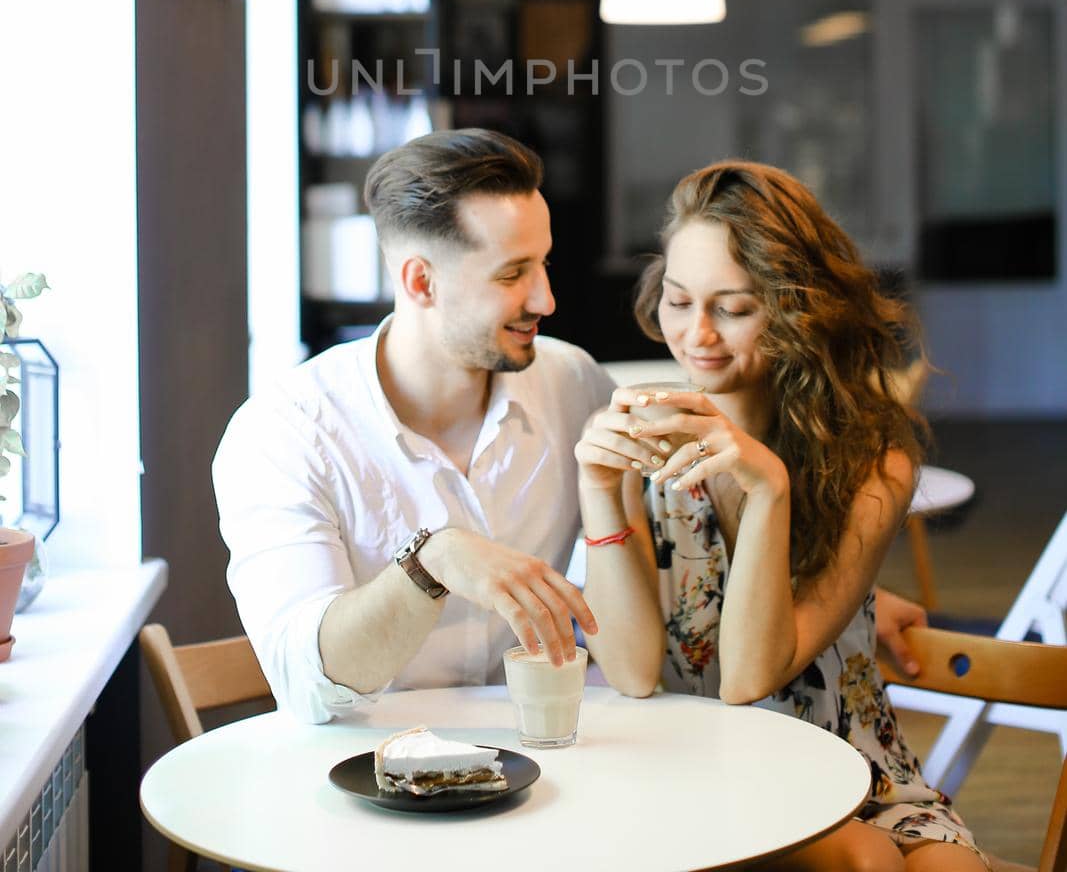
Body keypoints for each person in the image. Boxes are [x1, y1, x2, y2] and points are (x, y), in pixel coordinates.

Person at [213, 128, 928, 726]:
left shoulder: (570, 382)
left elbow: (668, 544)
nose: (547, 298)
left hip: (554, 767)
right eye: (512, 274)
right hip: (369, 786)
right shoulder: (285, 434)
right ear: (420, 282)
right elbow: (306, 679)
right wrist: (430, 563)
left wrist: (847, 594)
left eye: (545, 264)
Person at [576, 160, 985, 871]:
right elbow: (645, 673)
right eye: (676, 301)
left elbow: (768, 666)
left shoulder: (872, 457)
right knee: (858, 862)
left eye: (732, 308)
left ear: (798, 308)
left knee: (944, 866)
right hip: (699, 767)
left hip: (856, 763)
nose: (695, 334)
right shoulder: (640, 444)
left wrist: (767, 485)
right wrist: (595, 490)